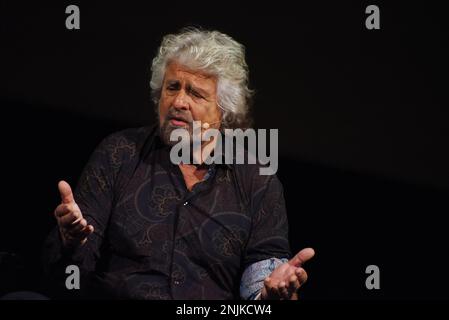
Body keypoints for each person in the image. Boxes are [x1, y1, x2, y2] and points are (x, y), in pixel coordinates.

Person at [42, 27, 315, 300]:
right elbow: (69, 272)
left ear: (224, 109)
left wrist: (270, 294)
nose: (179, 101)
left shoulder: (257, 179)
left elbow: (261, 281)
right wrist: (72, 241)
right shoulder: (120, 153)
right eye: (172, 87)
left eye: (195, 94)